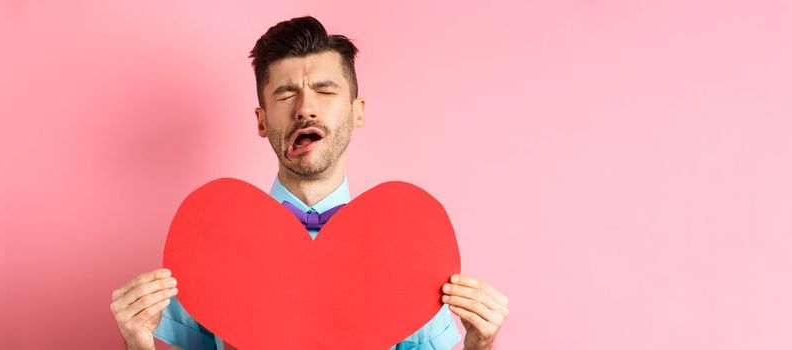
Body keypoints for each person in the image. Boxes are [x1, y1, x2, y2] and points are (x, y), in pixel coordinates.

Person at [110, 16, 509, 350]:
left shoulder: (410, 247)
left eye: (324, 89)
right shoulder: (207, 243)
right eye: (285, 94)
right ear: (263, 121)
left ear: (357, 112)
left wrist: (479, 347)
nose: (305, 108)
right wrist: (137, 345)